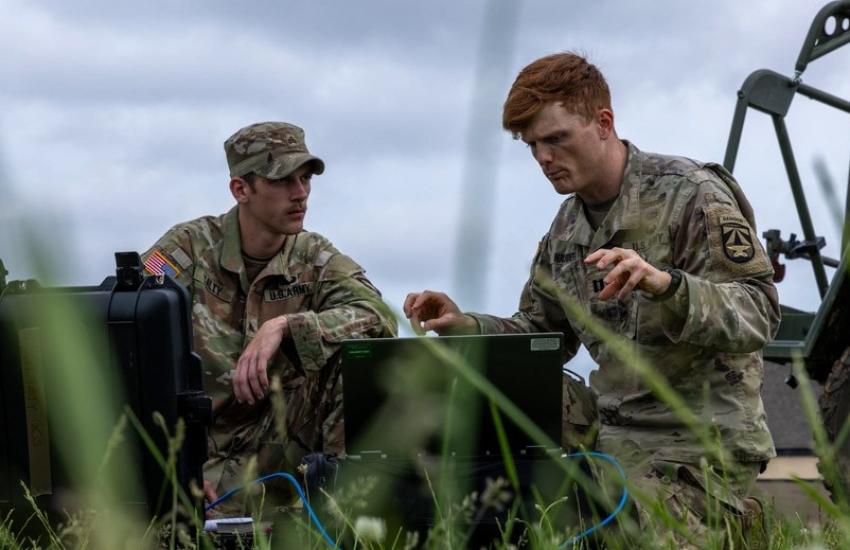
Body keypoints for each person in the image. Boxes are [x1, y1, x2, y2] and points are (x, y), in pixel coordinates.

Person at [404, 53, 779, 546]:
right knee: (476, 458)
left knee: (622, 529)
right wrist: (467, 325)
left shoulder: (692, 194)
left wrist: (667, 286)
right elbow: (541, 337)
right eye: (531, 145)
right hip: (610, 425)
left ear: (603, 123)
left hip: (698, 434)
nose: (543, 158)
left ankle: (731, 521)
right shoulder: (566, 228)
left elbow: (760, 312)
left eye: (556, 138)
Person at [143, 122, 397, 512]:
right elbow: (125, 323)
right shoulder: (189, 248)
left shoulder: (315, 257)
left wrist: (285, 327)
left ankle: (338, 512)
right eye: (282, 181)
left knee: (360, 358)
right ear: (241, 189)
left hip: (280, 446)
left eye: (306, 179)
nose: (300, 195)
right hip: (193, 453)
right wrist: (174, 470)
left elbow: (379, 317)